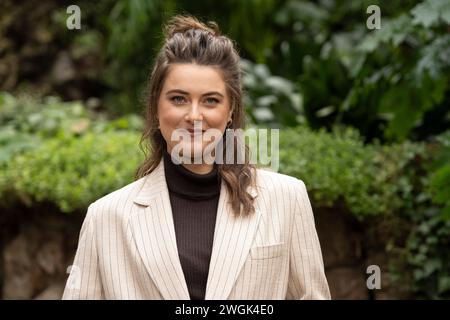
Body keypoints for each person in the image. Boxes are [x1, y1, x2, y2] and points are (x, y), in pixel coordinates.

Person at [62, 15, 330, 300]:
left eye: (210, 100)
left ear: (230, 111)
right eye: (178, 99)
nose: (193, 116)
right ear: (155, 106)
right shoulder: (106, 217)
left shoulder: (287, 199)